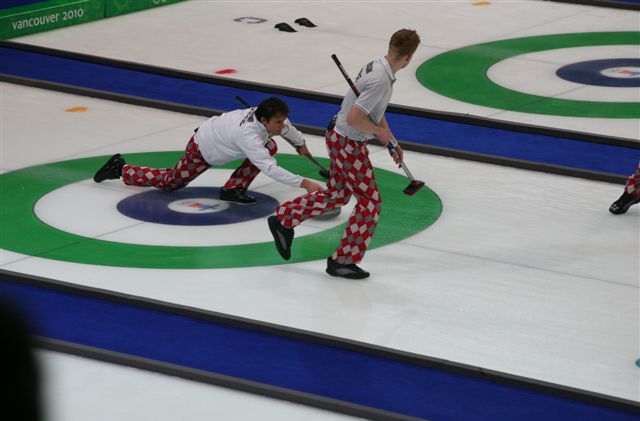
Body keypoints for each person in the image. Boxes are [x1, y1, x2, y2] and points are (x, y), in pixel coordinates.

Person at [268, 29, 421, 279]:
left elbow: (372, 110)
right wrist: (379, 133)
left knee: (338, 194)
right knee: (370, 202)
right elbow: (355, 118)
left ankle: (285, 218)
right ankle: (343, 261)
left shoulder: (377, 66)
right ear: (409, 57)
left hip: (338, 136)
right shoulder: (382, 80)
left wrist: (390, 138)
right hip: (349, 143)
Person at [93, 97, 322, 202]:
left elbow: (287, 128)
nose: (282, 125)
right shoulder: (248, 135)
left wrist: (300, 143)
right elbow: (269, 168)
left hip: (222, 140)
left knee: (270, 145)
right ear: (263, 120)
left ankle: (233, 188)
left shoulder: (269, 118)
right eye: (277, 122)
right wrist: (304, 183)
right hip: (203, 148)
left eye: (282, 120)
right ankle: (121, 169)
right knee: (171, 183)